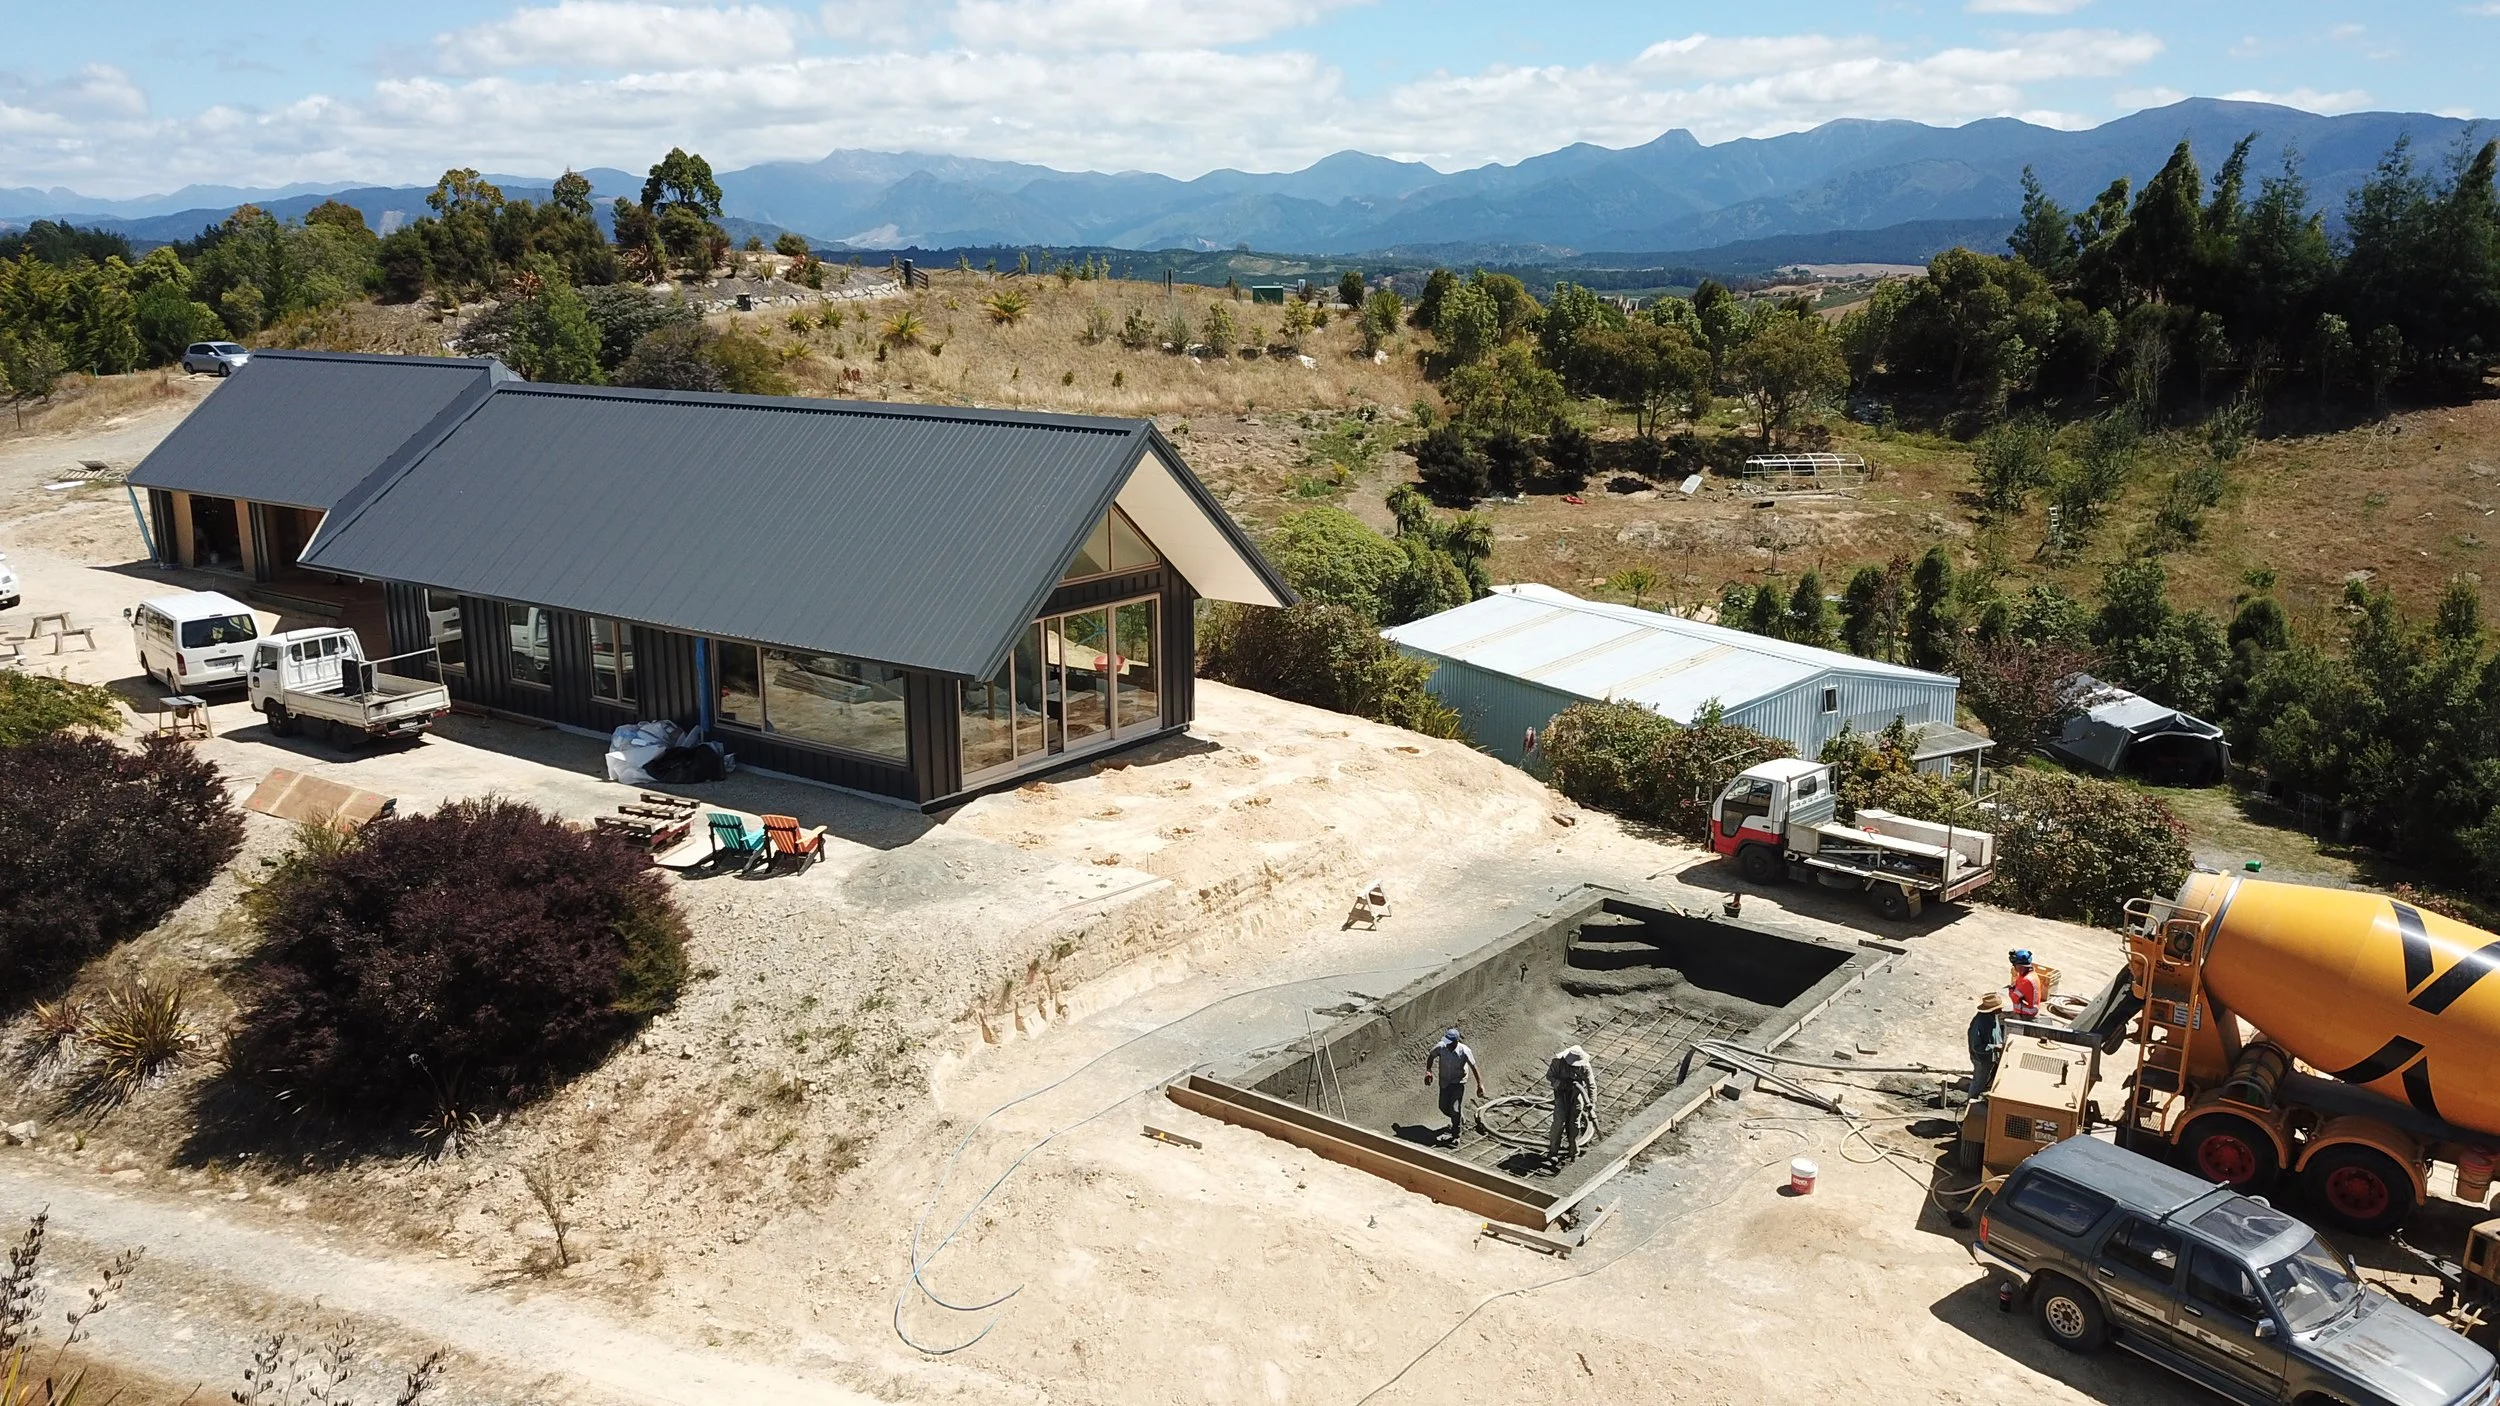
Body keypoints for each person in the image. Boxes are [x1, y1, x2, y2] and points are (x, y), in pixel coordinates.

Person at [1422, 1028, 1485, 1146]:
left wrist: (1479, 1084)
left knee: (1455, 1108)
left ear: (1455, 1042)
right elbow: (1431, 1056)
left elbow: (1474, 1067)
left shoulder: (1465, 1051)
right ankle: (1459, 1119)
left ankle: (1456, 1134)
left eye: (1449, 1042)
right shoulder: (1441, 1047)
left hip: (1458, 1081)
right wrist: (1429, 1071)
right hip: (1445, 1081)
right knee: (1443, 1107)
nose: (1447, 1044)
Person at [1545, 1045, 1595, 1164]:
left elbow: (1591, 1085)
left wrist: (1592, 1103)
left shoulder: (1585, 1067)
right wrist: (1558, 1083)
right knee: (1558, 1123)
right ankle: (1553, 1151)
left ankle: (1573, 1150)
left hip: (1576, 1096)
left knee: (1574, 1124)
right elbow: (1549, 1076)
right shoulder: (1557, 1063)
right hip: (1561, 1095)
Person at [2005, 950, 2044, 1020]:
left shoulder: (2026, 981)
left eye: (2015, 965)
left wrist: (2011, 990)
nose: (2014, 967)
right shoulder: (2031, 974)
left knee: (2001, 1017)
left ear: (2020, 966)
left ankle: (2018, 1018)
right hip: (2033, 1007)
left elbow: (2014, 997)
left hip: (2029, 1012)